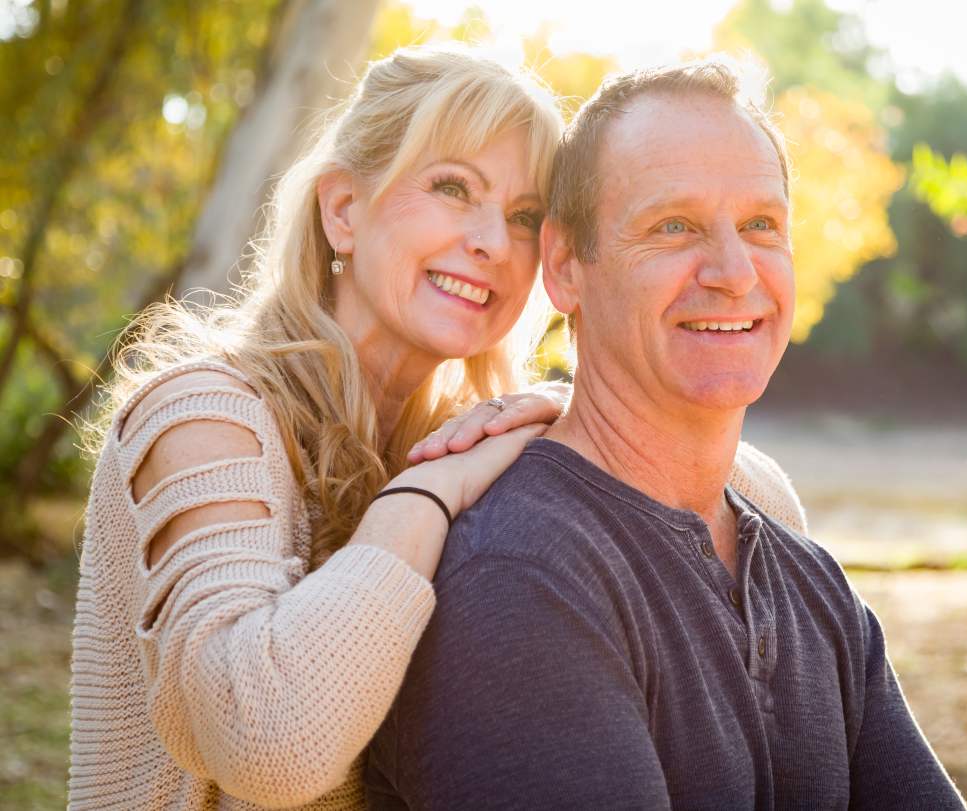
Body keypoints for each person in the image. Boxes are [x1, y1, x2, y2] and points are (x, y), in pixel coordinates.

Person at [69, 46, 807, 810]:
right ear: (344, 211)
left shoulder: (480, 437)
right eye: (454, 188)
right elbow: (268, 744)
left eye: (524, 217)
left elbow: (738, 495)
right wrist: (422, 494)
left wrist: (622, 438)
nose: (492, 241)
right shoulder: (203, 414)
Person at [366, 59, 966, 810]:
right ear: (564, 266)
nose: (733, 270)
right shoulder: (520, 575)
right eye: (673, 226)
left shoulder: (814, 588)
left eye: (760, 225)